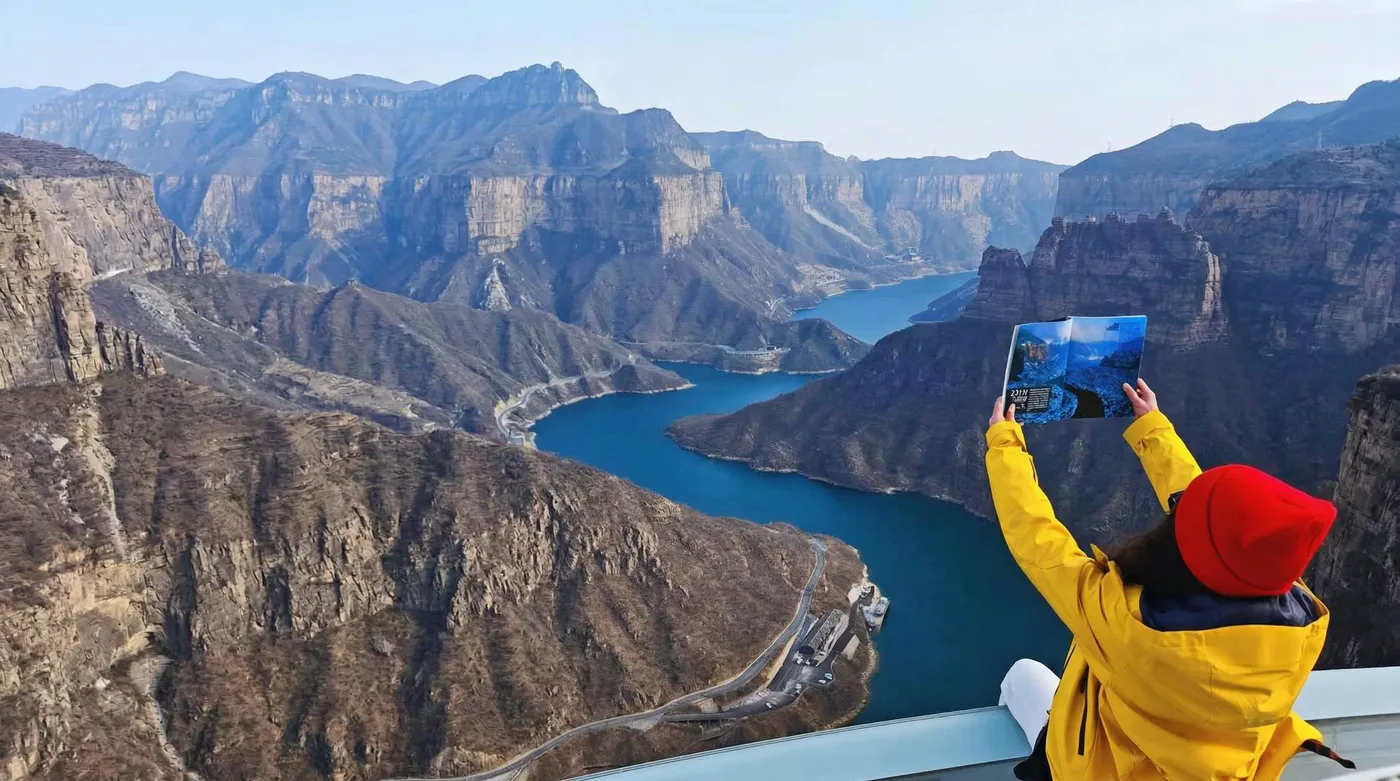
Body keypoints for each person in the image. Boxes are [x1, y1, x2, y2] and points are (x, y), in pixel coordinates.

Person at [986, 379, 1351, 781]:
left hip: (1102, 771)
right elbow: (1219, 522)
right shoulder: (1296, 615)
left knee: (1021, 675)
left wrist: (1005, 445)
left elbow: (1037, 540)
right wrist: (1152, 428)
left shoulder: (1127, 623)